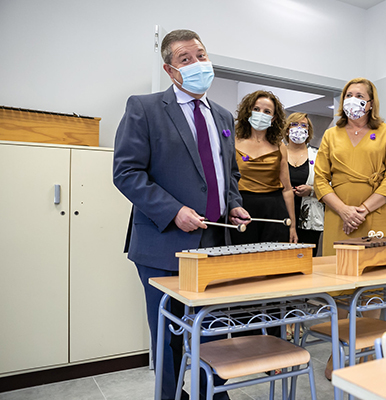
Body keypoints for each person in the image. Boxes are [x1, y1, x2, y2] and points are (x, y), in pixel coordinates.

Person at [113, 29, 249, 400]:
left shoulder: (223, 116)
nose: (197, 64)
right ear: (170, 70)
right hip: (163, 245)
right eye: (186, 59)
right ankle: (171, 395)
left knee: (215, 330)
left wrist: (233, 204)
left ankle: (212, 393)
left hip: (215, 244)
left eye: (201, 55)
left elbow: (228, 175)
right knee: (168, 335)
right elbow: (126, 173)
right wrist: (174, 211)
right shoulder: (144, 108)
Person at [314, 77, 386, 256]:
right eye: (348, 95)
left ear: (371, 103)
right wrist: (344, 211)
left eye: (359, 96)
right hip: (339, 215)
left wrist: (362, 211)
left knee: (375, 266)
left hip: (376, 212)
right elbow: (320, 180)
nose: (352, 100)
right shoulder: (331, 135)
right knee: (337, 265)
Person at [231, 90, 297, 244]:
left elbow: (287, 189)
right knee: (242, 255)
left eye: (267, 111)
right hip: (242, 207)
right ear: (248, 111)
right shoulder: (233, 143)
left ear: (273, 118)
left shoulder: (280, 147)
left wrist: (292, 226)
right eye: (256, 109)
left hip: (274, 209)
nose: (261, 114)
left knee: (273, 256)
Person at [285, 112, 324, 255]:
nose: (299, 128)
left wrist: (311, 190)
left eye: (303, 125)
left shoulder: (318, 155)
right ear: (287, 130)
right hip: (282, 214)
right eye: (294, 124)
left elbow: (330, 184)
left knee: (305, 258)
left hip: (309, 217)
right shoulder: (277, 153)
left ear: (308, 132)